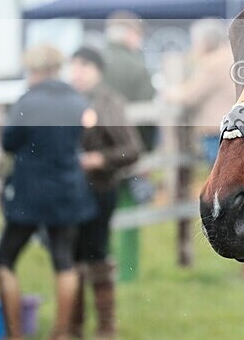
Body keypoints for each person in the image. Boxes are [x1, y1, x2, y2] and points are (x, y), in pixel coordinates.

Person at [0, 44, 97, 340]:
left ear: (34, 70)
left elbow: (8, 142)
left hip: (29, 193)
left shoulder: (27, 100)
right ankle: (60, 333)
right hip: (67, 189)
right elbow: (84, 136)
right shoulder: (76, 100)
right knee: (63, 260)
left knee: (4, 261)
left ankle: (14, 333)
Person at [68, 46, 143, 339]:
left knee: (96, 253)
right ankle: (72, 327)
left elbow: (131, 148)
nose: (77, 71)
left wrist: (100, 159)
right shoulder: (67, 100)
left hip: (98, 188)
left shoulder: (108, 102)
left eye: (84, 66)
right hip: (67, 191)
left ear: (98, 70)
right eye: (74, 65)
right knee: (70, 257)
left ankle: (105, 328)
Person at [164, 18, 235, 165]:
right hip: (232, 125)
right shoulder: (231, 55)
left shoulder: (211, 63)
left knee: (218, 171)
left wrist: (168, 92)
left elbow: (190, 95)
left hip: (216, 129)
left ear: (205, 41)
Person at [101, 10, 156, 151]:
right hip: (130, 143)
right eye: (139, 35)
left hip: (100, 142)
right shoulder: (137, 66)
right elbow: (147, 106)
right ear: (130, 34)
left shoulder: (94, 62)